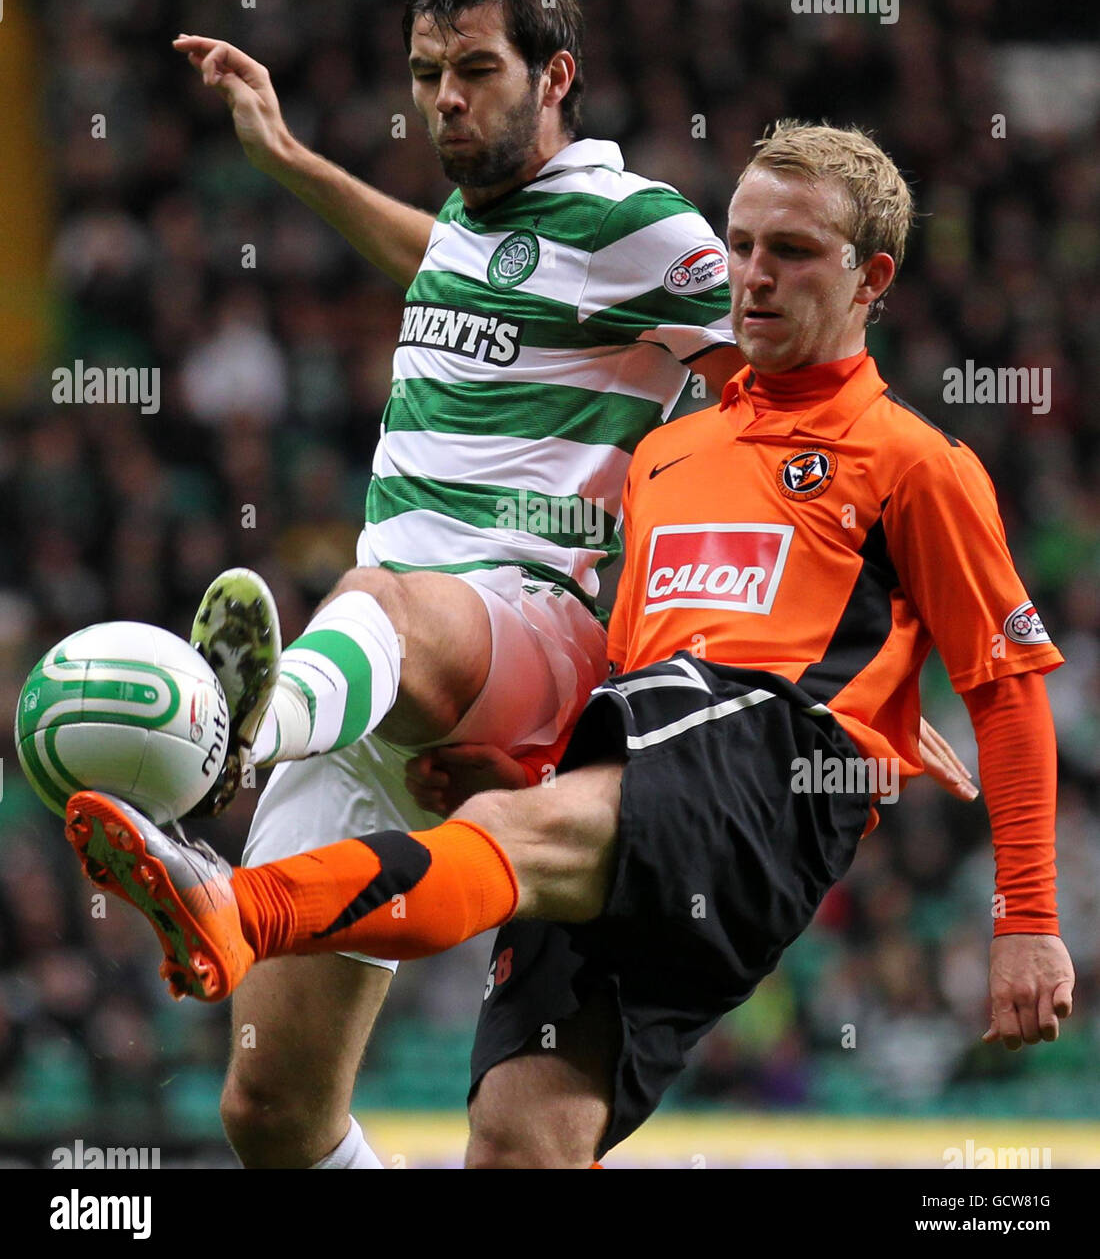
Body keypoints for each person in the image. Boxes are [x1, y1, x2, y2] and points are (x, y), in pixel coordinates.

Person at [66, 120, 1069, 1169]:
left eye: (793, 252)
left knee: (518, 833)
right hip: (650, 765)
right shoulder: (668, 453)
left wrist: (1027, 917)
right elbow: (634, 674)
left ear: (871, 278)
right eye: (739, 245)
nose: (753, 277)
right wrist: (535, 768)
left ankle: (239, 906)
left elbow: (1005, 693)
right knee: (520, 1142)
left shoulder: (912, 460)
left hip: (773, 764)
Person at [169, 0, 743, 1170]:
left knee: (377, 590)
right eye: (426, 70)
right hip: (376, 683)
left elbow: (801, 411)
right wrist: (285, 159)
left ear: (556, 77)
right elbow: (438, 267)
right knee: (271, 1114)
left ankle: (220, 739)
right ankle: (265, 724)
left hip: (523, 622)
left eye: (474, 69)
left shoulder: (641, 225)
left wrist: (832, 637)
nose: (442, 98)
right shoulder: (469, 221)